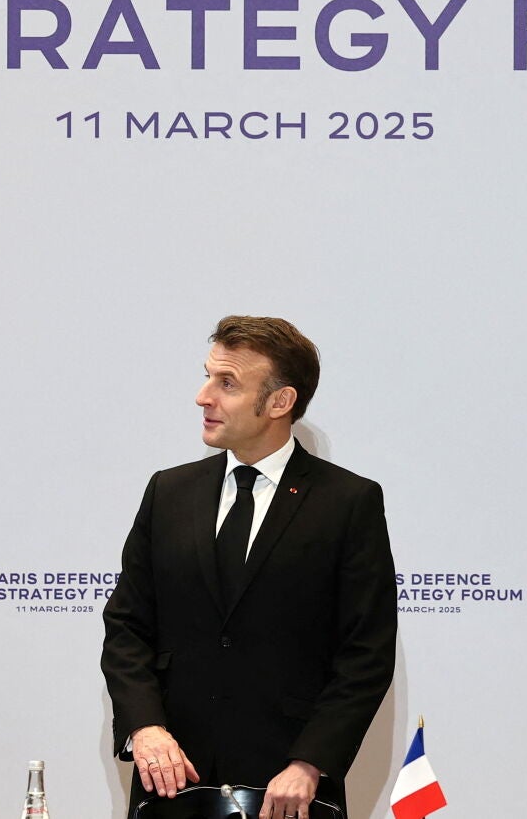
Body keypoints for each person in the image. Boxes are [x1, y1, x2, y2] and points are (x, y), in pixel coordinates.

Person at [102, 316, 398, 819]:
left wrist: (310, 762)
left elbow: (366, 653)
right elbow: (128, 625)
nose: (203, 397)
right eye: (208, 376)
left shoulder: (348, 503)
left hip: (289, 788)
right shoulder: (168, 492)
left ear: (280, 401)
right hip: (173, 781)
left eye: (228, 383)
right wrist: (145, 728)